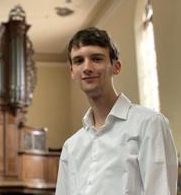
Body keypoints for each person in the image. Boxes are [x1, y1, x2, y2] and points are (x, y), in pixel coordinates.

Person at [55, 27, 178, 195]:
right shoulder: (71, 146)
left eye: (96, 59)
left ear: (116, 66)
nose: (87, 67)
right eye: (78, 61)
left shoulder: (150, 124)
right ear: (72, 72)